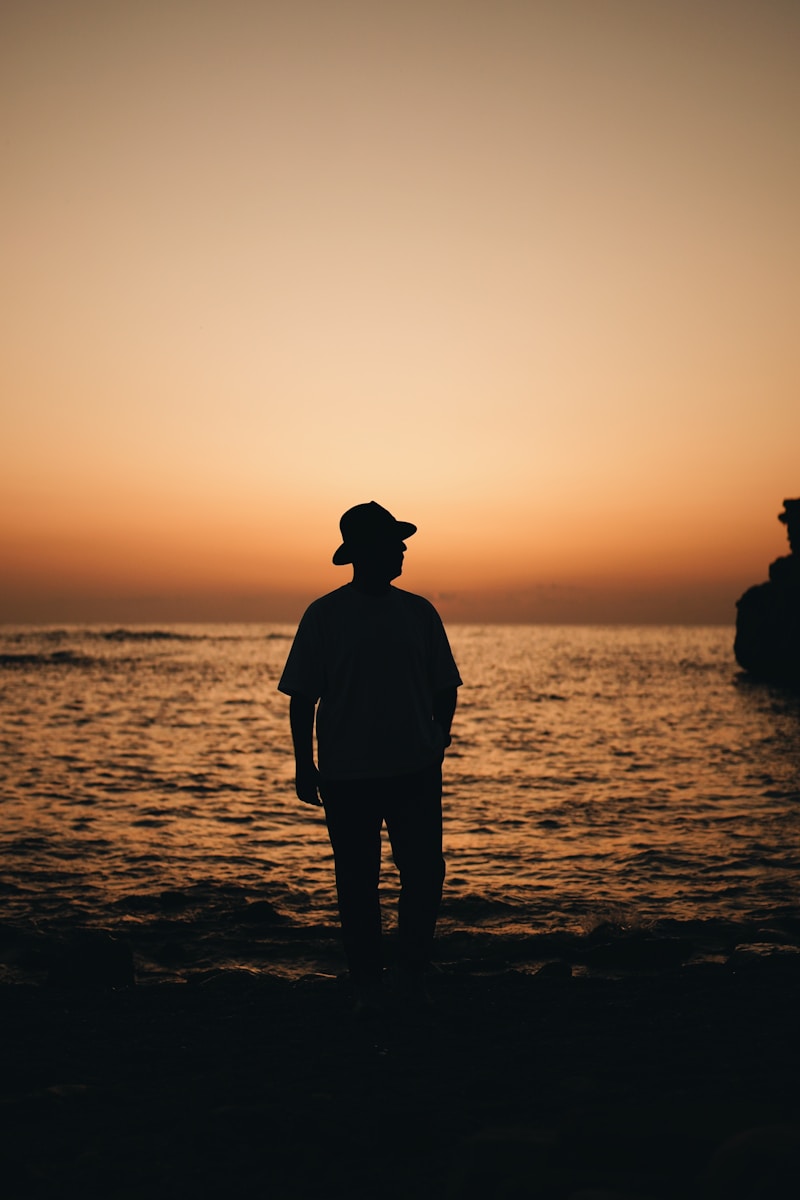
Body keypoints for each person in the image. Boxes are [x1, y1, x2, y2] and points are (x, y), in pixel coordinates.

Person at [278, 501, 461, 1014]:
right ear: (365, 552)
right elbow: (303, 697)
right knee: (357, 881)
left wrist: (437, 739)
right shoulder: (325, 614)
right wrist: (303, 764)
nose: (403, 549)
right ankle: (366, 984)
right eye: (394, 541)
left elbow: (445, 685)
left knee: (423, 874)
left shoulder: (419, 612)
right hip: (346, 774)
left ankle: (410, 974)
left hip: (414, 770)